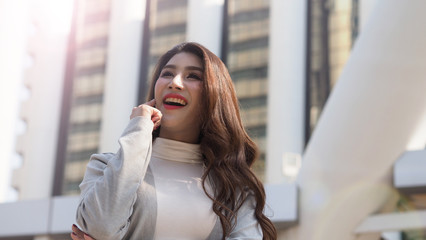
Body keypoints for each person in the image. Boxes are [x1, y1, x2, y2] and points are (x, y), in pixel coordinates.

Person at [71, 42, 277, 240]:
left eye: (193, 76)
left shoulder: (234, 188)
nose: (174, 83)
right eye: (167, 74)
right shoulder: (104, 167)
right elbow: (101, 228)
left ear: (215, 96)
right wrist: (139, 128)